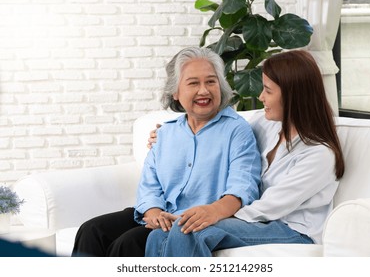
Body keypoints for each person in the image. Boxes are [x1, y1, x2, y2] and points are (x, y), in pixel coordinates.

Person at [145, 49, 345, 257]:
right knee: (158, 235)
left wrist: (214, 212)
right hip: (260, 222)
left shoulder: (319, 155)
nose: (260, 97)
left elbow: (271, 207)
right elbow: (223, 130)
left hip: (291, 229)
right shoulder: (265, 124)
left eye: (267, 90)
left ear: (292, 95)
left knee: (188, 230)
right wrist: (171, 134)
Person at [71, 47, 261, 257]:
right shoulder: (166, 132)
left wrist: (213, 211)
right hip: (160, 213)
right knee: (92, 230)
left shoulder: (236, 130)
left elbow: (243, 187)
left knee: (128, 244)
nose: (204, 91)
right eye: (193, 83)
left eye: (210, 81)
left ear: (221, 86)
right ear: (176, 92)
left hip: (194, 220)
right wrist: (152, 212)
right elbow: (149, 184)